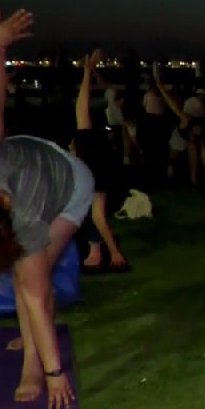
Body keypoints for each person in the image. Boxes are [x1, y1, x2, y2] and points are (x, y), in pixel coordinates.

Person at [0, 9, 92, 409]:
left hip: (69, 185)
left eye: (1, 202)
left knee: (32, 290)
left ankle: (33, 365)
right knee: (27, 281)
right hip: (34, 168)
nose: (5, 198)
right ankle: (32, 345)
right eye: (1, 204)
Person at [71, 49, 129, 271]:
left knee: (92, 217)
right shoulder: (95, 157)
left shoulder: (91, 164)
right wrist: (89, 72)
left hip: (99, 190)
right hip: (99, 188)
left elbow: (81, 107)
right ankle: (96, 252)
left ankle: (105, 251)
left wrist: (115, 253)